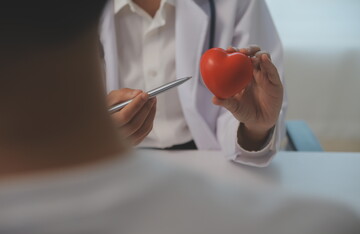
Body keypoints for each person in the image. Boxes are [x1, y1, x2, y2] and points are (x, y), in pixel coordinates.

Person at [1, 1, 360, 234]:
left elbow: (250, 118)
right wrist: (86, 130)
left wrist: (255, 127)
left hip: (211, 161)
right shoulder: (323, 228)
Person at [101, 0, 286, 167]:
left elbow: (254, 101)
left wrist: (255, 129)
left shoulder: (238, 3)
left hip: (206, 159)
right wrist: (94, 131)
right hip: (107, 163)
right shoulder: (74, 10)